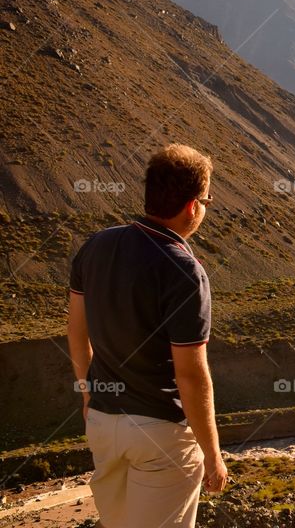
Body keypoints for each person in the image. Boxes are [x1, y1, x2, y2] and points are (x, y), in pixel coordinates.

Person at [67, 143, 228, 528]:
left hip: (104, 425)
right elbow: (190, 374)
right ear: (192, 206)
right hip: (161, 434)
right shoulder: (184, 269)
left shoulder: (96, 246)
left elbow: (76, 329)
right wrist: (213, 453)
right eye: (206, 199)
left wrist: (89, 395)